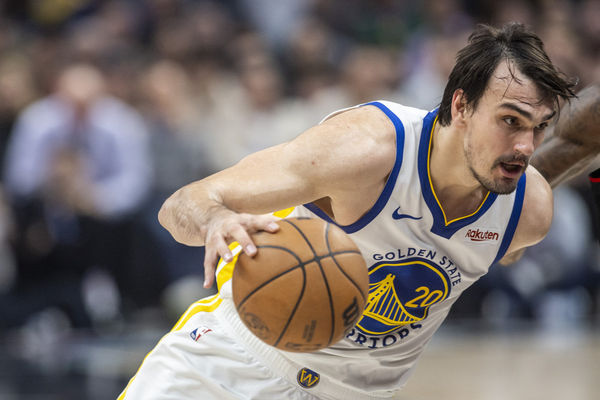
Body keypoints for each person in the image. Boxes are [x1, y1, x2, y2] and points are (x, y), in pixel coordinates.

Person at [119, 23, 598, 399]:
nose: (524, 145)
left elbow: (557, 160)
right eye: (510, 120)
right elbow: (181, 204)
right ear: (462, 104)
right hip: (229, 370)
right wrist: (216, 220)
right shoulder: (367, 151)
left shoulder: (527, 211)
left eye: (538, 127)